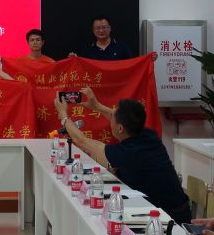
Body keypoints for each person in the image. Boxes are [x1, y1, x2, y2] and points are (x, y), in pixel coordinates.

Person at [54, 87, 191, 223]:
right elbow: (122, 120)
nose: (110, 118)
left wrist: (63, 116)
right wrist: (97, 106)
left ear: (120, 128)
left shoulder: (128, 153)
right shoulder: (147, 135)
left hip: (171, 218)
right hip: (175, 208)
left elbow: (82, 141)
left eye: (113, 117)